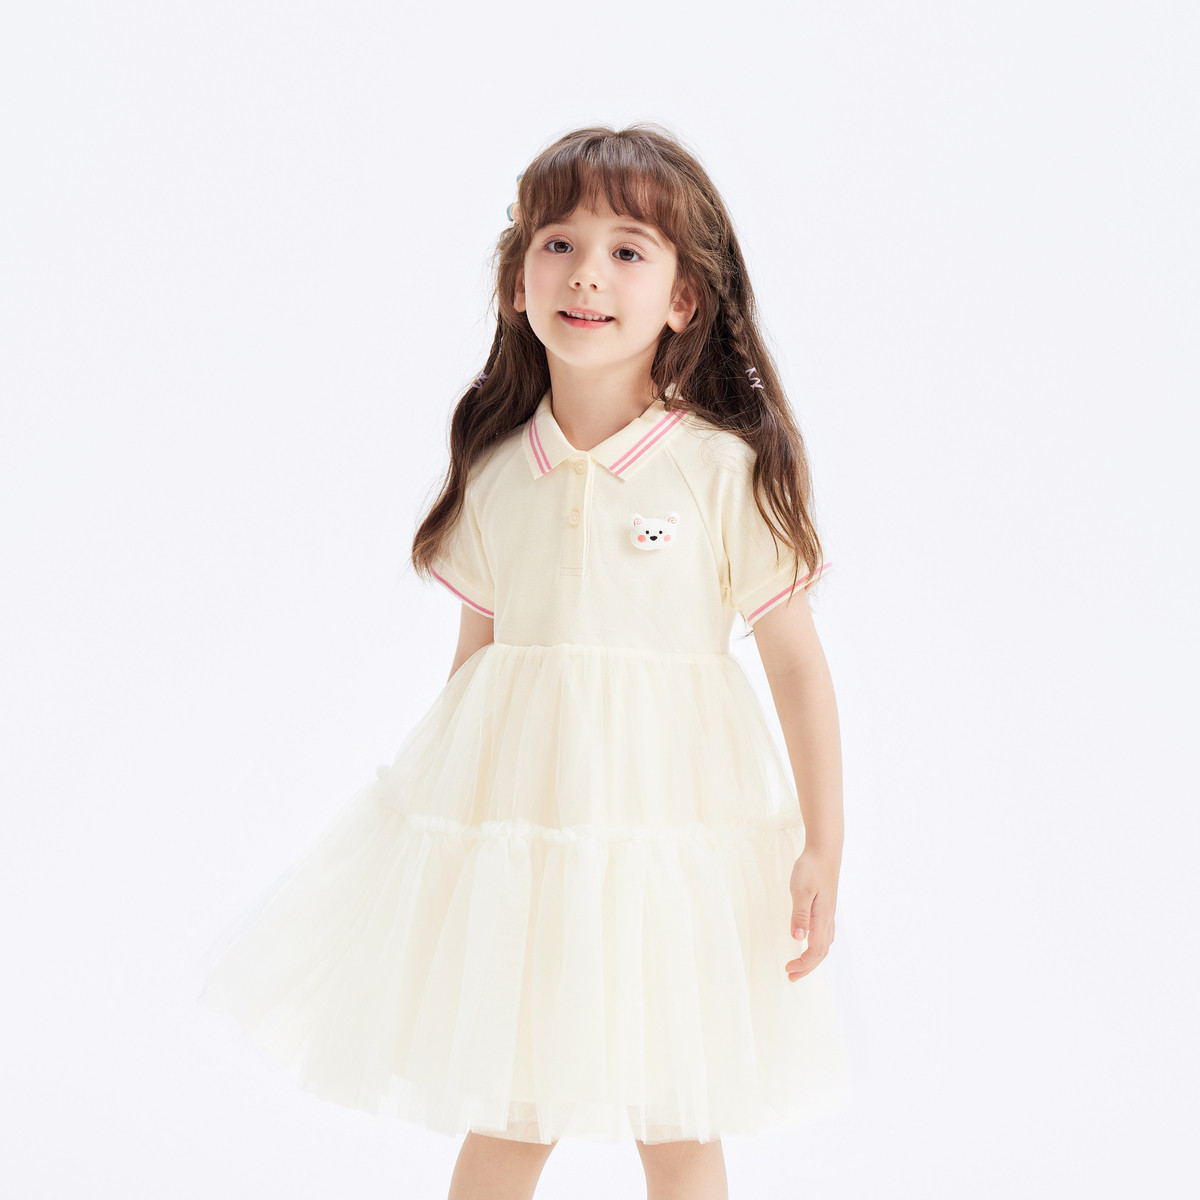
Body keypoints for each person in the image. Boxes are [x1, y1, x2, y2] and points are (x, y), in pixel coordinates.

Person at [197, 123, 854, 1200]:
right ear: (516, 282)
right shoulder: (500, 473)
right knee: (512, 1108)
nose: (587, 272)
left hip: (671, 847)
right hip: (529, 849)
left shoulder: (718, 471)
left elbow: (794, 665)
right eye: (559, 244)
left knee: (677, 1117)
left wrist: (824, 842)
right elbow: (477, 675)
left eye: (628, 250)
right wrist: (443, 856)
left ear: (684, 299)